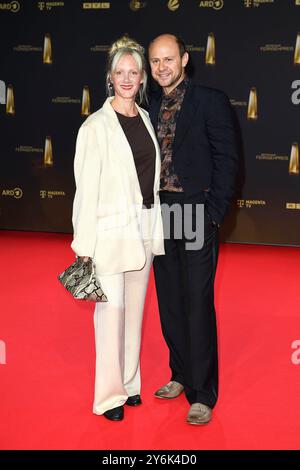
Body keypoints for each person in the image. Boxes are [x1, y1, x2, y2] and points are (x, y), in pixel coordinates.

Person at [71, 36, 164, 421]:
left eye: (134, 72)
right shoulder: (95, 126)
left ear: (142, 78)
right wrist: (84, 247)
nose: (127, 79)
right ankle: (109, 397)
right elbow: (85, 189)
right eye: (120, 72)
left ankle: (129, 384)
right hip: (109, 233)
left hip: (142, 226)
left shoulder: (144, 117)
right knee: (111, 314)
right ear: (110, 77)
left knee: (135, 313)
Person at [148, 34, 238, 425]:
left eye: (168, 59)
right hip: (159, 212)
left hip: (195, 208)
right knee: (169, 299)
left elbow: (228, 159)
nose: (162, 67)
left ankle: (203, 392)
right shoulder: (146, 103)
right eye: (155, 61)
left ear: (184, 59)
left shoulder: (210, 100)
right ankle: (180, 374)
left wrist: (213, 212)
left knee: (197, 301)